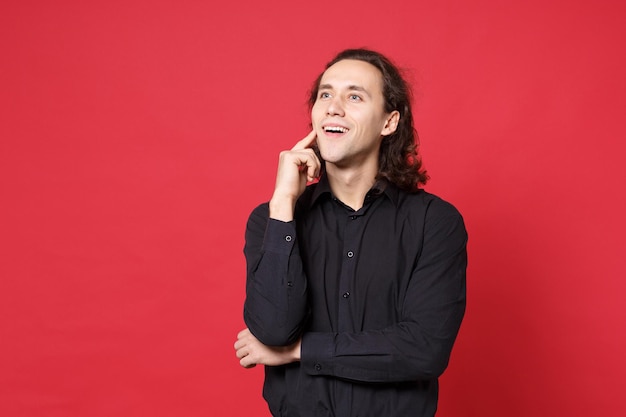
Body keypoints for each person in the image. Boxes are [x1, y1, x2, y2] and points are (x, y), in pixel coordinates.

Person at [234, 48, 467, 417]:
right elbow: (274, 330)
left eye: (354, 96)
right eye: (325, 94)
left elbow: (423, 349)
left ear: (389, 122)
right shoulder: (272, 221)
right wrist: (282, 204)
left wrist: (298, 351)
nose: (333, 107)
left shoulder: (433, 223)